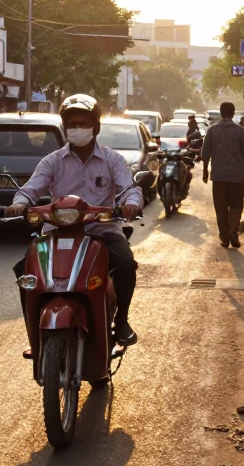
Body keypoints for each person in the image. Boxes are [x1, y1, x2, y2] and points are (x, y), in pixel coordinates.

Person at [5, 94, 144, 347]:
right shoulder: (53, 160)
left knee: (125, 263)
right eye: (71, 123)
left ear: (96, 126)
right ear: (65, 126)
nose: (77, 128)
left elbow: (129, 187)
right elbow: (31, 188)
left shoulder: (113, 159)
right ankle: (34, 333)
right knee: (24, 270)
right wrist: (20, 203)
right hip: (57, 232)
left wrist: (131, 203)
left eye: (83, 122)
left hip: (101, 230)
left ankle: (121, 320)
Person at [201, 101, 244, 248]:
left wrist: (205, 171)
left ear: (221, 112)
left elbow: (205, 154)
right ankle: (233, 232)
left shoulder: (212, 130)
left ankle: (225, 237)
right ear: (232, 113)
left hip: (219, 176)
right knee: (237, 205)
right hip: (237, 176)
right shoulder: (240, 131)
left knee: (221, 207)